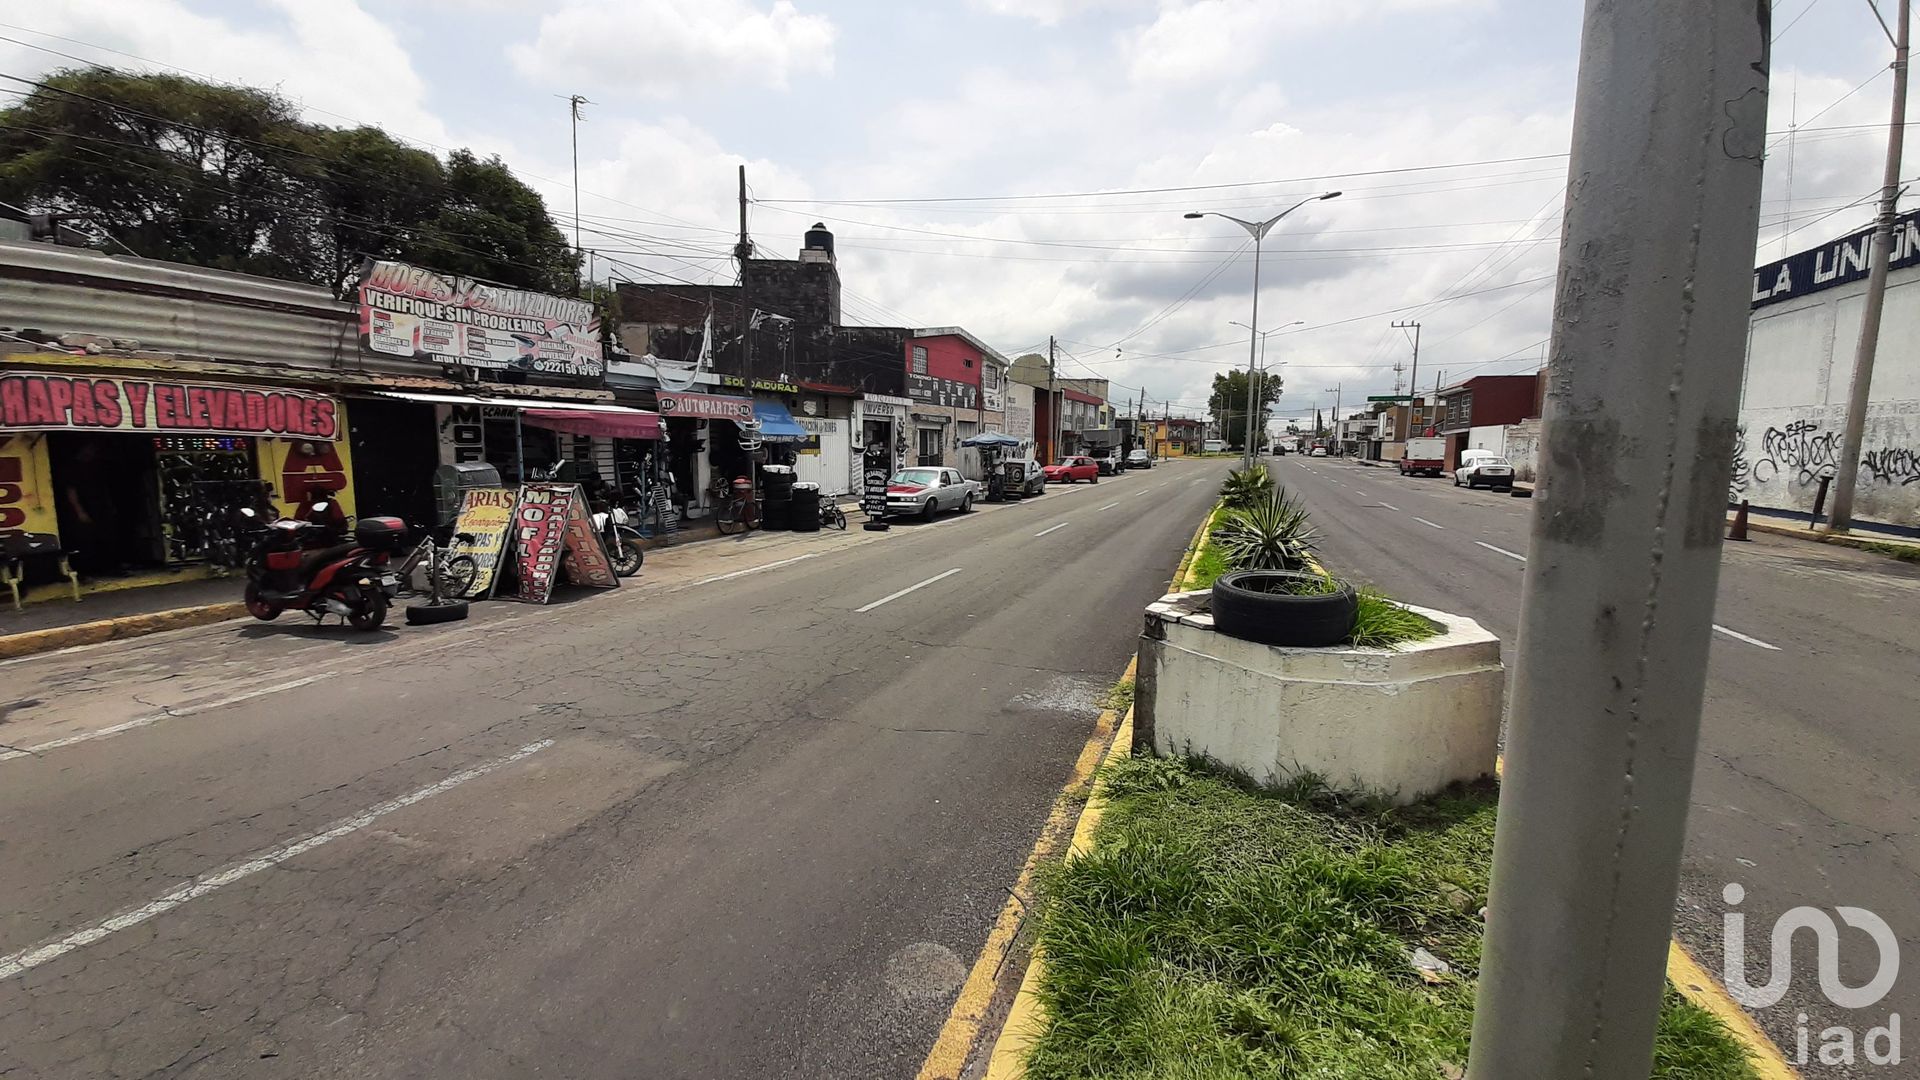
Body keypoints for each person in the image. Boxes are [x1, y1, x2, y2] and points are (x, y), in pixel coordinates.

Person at [60, 442, 126, 577]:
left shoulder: (96, 466)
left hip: (101, 507)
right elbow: (71, 491)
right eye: (90, 449)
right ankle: (90, 571)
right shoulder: (74, 468)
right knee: (88, 540)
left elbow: (104, 489)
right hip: (86, 508)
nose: (93, 453)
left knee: (108, 537)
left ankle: (110, 567)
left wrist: (110, 505)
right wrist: (80, 511)